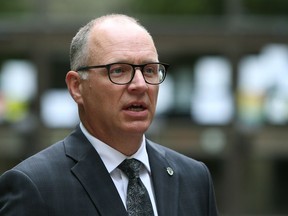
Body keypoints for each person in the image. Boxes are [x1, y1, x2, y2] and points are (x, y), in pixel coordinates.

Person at [0, 14, 218, 216]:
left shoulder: (194, 178)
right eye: (119, 70)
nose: (140, 85)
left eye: (150, 70)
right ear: (76, 87)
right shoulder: (34, 186)